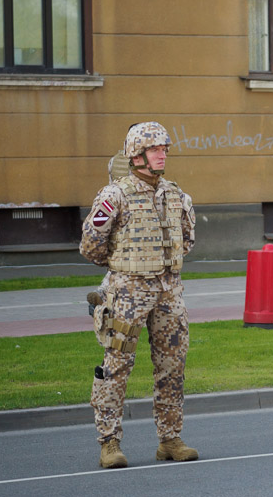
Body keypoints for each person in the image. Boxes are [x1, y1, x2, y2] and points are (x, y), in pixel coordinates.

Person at [80, 122, 198, 469]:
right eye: (154, 149)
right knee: (117, 367)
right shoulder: (114, 195)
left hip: (169, 292)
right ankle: (109, 443)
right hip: (127, 292)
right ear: (136, 155)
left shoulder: (176, 194)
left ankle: (170, 439)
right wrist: (121, 265)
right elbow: (90, 245)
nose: (162, 153)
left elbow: (187, 239)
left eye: (164, 148)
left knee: (172, 367)